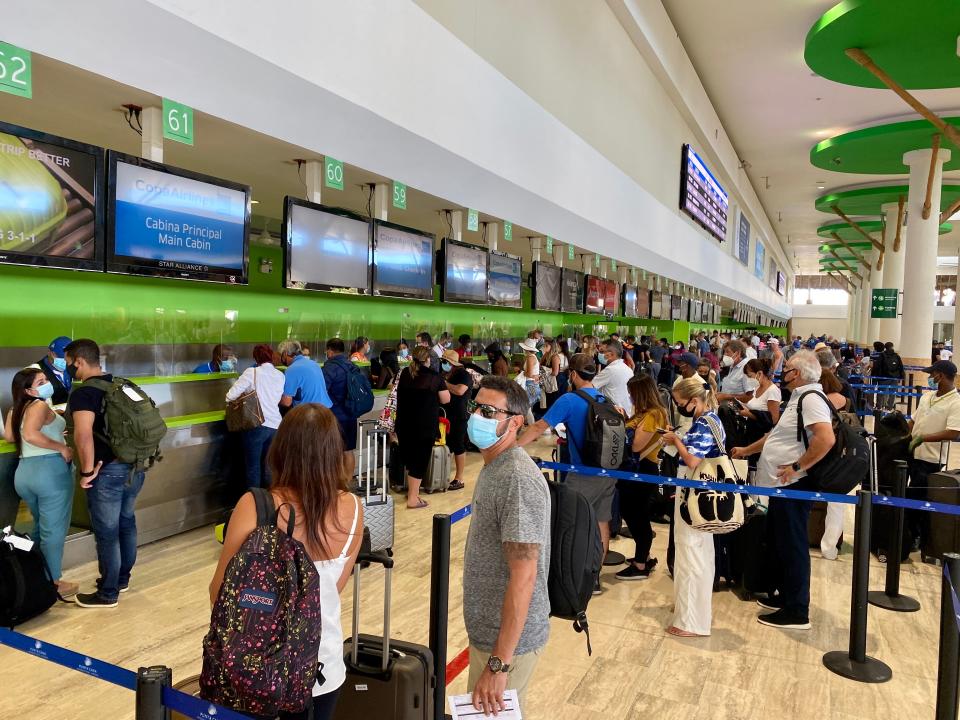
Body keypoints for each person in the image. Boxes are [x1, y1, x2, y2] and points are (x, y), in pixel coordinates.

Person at [209, 404, 363, 720]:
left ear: (281, 448)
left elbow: (220, 593)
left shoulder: (257, 505)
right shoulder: (353, 507)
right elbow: (332, 588)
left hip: (253, 670)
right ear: (334, 451)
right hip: (322, 667)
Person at [462, 375, 550, 717]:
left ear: (515, 422)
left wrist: (499, 665)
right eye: (475, 407)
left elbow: (525, 576)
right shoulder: (493, 466)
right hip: (489, 634)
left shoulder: (517, 479)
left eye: (488, 411)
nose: (476, 417)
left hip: (506, 646)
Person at [731, 350, 836, 630]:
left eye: (787, 368)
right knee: (780, 542)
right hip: (781, 486)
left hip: (794, 485)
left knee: (793, 545)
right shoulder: (799, 398)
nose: (782, 371)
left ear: (798, 373)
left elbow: (825, 438)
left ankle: (798, 610)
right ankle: (785, 596)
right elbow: (775, 436)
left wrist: (798, 467)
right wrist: (746, 450)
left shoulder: (812, 399)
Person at [518, 354, 613, 593]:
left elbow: (541, 426)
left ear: (572, 374)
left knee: (570, 526)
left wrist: (515, 447)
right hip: (609, 472)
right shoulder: (604, 398)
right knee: (601, 523)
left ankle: (568, 579)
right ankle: (594, 578)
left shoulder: (570, 399)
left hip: (583, 473)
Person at [64, 339, 146, 608]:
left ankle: (108, 592)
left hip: (107, 471)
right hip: (135, 466)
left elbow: (83, 435)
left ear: (79, 361)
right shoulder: (120, 384)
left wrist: (87, 472)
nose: (68, 369)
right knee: (126, 522)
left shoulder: (84, 393)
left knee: (107, 532)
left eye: (68, 363)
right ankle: (121, 578)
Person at [3, 368, 78, 598]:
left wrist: (53, 433)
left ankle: (33, 574)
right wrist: (61, 447)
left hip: (24, 474)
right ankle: (53, 582)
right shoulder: (39, 405)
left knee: (39, 527)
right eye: (41, 381)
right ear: (28, 389)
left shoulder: (15, 409)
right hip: (49, 472)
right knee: (53, 531)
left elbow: (11, 436)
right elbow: (31, 434)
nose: (47, 383)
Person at [660, 376, 725, 637]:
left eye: (680, 403)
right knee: (696, 553)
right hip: (696, 491)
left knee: (691, 555)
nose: (678, 407)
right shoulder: (709, 420)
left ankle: (691, 621)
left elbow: (693, 461)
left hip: (697, 492)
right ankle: (692, 612)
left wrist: (675, 441)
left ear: (694, 401)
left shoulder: (704, 424)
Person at [905, 360, 960, 551]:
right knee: (911, 495)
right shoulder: (927, 396)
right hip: (914, 454)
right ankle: (909, 533)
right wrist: (906, 437)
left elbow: (953, 432)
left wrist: (923, 438)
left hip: (932, 460)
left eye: (932, 374)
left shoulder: (955, 402)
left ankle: (917, 537)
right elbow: (914, 420)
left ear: (941, 376)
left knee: (921, 498)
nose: (930, 378)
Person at [616, 374, 666, 581]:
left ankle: (640, 564)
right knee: (632, 513)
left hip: (643, 470)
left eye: (632, 393)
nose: (630, 397)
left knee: (637, 515)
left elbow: (637, 445)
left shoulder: (654, 414)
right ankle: (642, 556)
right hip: (636, 470)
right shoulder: (644, 413)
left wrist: (622, 424)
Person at [395, 347, 450, 509]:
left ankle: (413, 492)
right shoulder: (434, 377)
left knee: (410, 459)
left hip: (404, 423)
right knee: (419, 461)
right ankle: (413, 498)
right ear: (428, 360)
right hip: (424, 425)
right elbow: (446, 399)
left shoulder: (405, 373)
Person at [225, 344, 285, 488]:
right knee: (269, 468)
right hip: (276, 426)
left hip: (256, 425)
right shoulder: (280, 375)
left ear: (256, 357)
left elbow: (230, 396)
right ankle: (271, 502)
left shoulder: (252, 372)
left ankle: (255, 505)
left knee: (253, 468)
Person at [322, 338, 370, 479]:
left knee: (333, 451)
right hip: (351, 413)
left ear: (329, 351)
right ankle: (347, 483)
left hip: (334, 416)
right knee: (348, 450)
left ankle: (335, 484)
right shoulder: (351, 364)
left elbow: (323, 390)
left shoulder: (329, 368)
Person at [441, 350, 470, 491]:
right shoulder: (447, 374)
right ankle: (442, 475)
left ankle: (459, 478)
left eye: (445, 362)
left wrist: (445, 384)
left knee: (458, 446)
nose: (443, 364)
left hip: (458, 416)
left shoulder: (464, 375)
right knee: (447, 445)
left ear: (451, 363)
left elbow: (460, 391)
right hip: (445, 415)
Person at [279, 339, 332, 409]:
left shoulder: (291, 369)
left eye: (280, 354)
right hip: (326, 409)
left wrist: (273, 398)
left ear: (285, 354)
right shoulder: (314, 364)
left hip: (310, 413)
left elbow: (286, 402)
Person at [593, 339, 634, 416]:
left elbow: (591, 387)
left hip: (612, 413)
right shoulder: (627, 369)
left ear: (611, 354)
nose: (599, 354)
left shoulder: (610, 370)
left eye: (602, 352)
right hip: (626, 411)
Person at [739, 358, 782, 425]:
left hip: (763, 432)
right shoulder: (757, 387)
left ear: (759, 373)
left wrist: (749, 414)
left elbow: (773, 420)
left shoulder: (773, 391)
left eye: (750, 376)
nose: (748, 380)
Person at [34, 335, 73, 406]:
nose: (64, 360)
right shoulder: (36, 371)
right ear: (49, 352)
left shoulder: (71, 368)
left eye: (67, 357)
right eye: (59, 356)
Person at [873, 341, 906, 411]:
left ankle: (879, 406)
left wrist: (875, 377)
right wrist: (902, 376)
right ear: (892, 347)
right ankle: (889, 407)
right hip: (894, 378)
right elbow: (901, 367)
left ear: (885, 348)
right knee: (892, 393)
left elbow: (877, 366)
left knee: (881, 392)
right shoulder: (896, 356)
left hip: (884, 377)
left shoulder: (882, 355)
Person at [516, 338, 542, 413]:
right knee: (528, 410)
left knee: (526, 409)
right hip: (533, 384)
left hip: (530, 385)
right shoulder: (533, 357)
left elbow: (529, 374)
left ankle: (531, 424)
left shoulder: (530, 358)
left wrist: (521, 372)